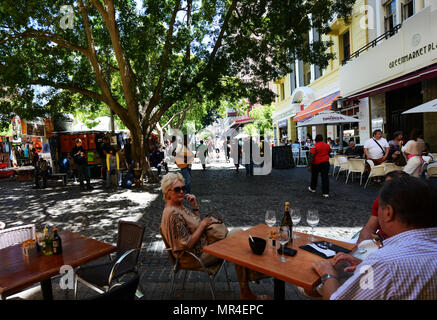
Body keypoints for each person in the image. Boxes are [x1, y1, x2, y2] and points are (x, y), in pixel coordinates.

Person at [312, 176, 437, 300]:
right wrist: (365, 265)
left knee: (313, 289)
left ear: (388, 212)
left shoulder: (384, 262)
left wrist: (328, 274)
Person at [160, 173, 269, 300]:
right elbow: (186, 245)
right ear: (167, 193)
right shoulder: (173, 215)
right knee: (237, 245)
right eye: (177, 189)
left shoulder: (178, 206)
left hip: (204, 247)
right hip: (194, 257)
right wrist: (202, 225)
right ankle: (249, 284)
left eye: (183, 188)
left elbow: (194, 225)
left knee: (238, 233)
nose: (182, 192)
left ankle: (249, 282)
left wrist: (195, 207)